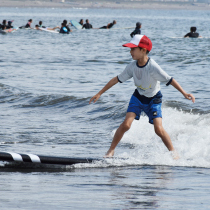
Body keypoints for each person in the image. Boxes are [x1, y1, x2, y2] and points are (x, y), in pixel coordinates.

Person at [89, 34, 195, 159]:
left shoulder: (153, 67)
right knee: (126, 125)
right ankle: (111, 151)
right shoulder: (132, 66)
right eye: (130, 49)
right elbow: (116, 79)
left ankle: (173, 152)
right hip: (138, 97)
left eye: (133, 49)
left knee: (158, 129)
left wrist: (184, 93)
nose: (130, 52)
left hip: (154, 99)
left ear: (143, 50)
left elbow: (170, 79)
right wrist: (99, 93)